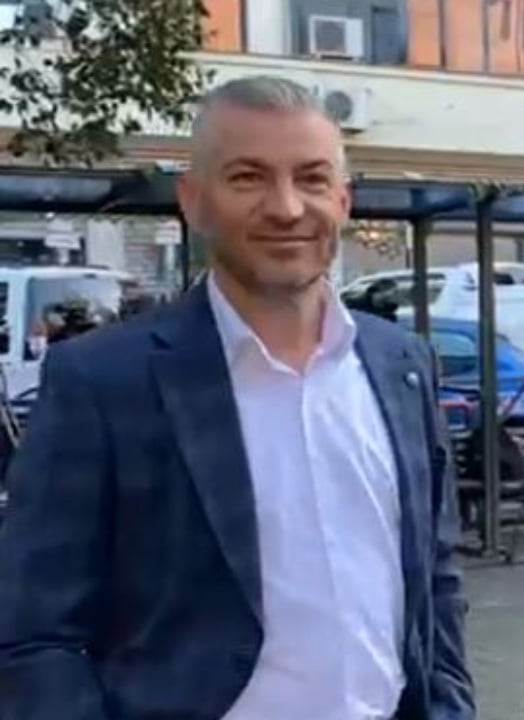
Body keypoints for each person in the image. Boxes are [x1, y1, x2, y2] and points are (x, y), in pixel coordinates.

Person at [0, 76, 475, 720]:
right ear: (194, 201)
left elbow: (436, 580)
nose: (286, 207)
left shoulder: (402, 365)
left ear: (343, 200)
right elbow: (33, 635)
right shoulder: (103, 382)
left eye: (311, 178)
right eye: (248, 177)